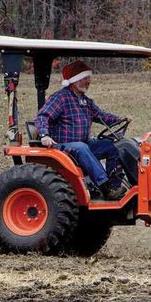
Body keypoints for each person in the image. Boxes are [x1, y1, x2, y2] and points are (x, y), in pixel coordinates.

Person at [35, 60, 131, 200]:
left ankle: (115, 185)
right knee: (81, 147)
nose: (89, 81)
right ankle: (105, 187)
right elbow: (43, 116)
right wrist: (44, 134)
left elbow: (101, 116)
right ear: (75, 81)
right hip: (62, 146)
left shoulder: (85, 101)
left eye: (88, 78)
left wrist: (119, 119)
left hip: (83, 145)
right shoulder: (60, 98)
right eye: (85, 78)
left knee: (113, 146)